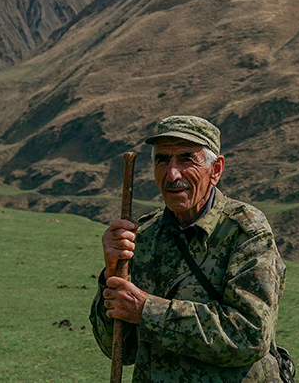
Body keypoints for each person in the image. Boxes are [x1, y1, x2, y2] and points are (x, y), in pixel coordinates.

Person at [90, 115, 288, 382]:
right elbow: (119, 351)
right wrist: (111, 274)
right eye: (162, 159)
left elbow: (250, 335)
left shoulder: (245, 231)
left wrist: (147, 310)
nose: (172, 174)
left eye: (186, 159)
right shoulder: (143, 236)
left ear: (215, 170)